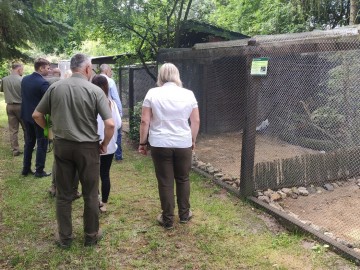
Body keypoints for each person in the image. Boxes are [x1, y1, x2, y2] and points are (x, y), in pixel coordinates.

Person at [32, 53, 115, 248]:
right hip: (88, 148)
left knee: (63, 194)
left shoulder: (54, 87)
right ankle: (91, 235)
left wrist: (50, 132)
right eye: (92, 68)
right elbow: (110, 124)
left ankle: (65, 238)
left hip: (62, 146)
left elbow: (37, 114)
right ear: (87, 69)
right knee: (91, 193)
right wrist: (104, 144)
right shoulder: (95, 90)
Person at [138, 63, 200, 229]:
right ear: (176, 75)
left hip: (160, 143)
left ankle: (167, 219)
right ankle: (185, 215)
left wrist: (143, 142)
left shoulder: (152, 93)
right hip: (183, 142)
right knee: (183, 178)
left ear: (161, 76)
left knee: (165, 181)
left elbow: (145, 120)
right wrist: (192, 139)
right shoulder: (189, 94)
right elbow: (196, 120)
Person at [92, 75, 122, 213]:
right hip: (108, 144)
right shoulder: (112, 104)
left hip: (93, 142)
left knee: (92, 174)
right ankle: (104, 203)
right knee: (105, 174)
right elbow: (118, 124)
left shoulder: (89, 103)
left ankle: (95, 200)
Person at [21, 58, 51, 177]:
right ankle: (39, 171)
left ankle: (25, 168)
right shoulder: (43, 83)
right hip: (39, 117)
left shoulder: (25, 79)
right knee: (42, 143)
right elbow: (48, 101)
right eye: (47, 68)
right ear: (41, 68)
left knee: (29, 142)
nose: (49, 71)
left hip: (26, 116)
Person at [0, 63, 26, 156]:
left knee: (13, 129)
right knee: (26, 128)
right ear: (19, 69)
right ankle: (28, 147)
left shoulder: (4, 79)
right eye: (22, 69)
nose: (22, 71)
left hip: (9, 106)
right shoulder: (22, 79)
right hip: (20, 105)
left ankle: (15, 150)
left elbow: (2, 90)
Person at [99, 64, 123, 161]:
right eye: (110, 70)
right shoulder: (110, 81)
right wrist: (120, 112)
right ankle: (118, 155)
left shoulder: (93, 79)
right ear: (106, 70)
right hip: (110, 110)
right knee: (116, 132)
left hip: (98, 112)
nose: (111, 73)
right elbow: (115, 97)